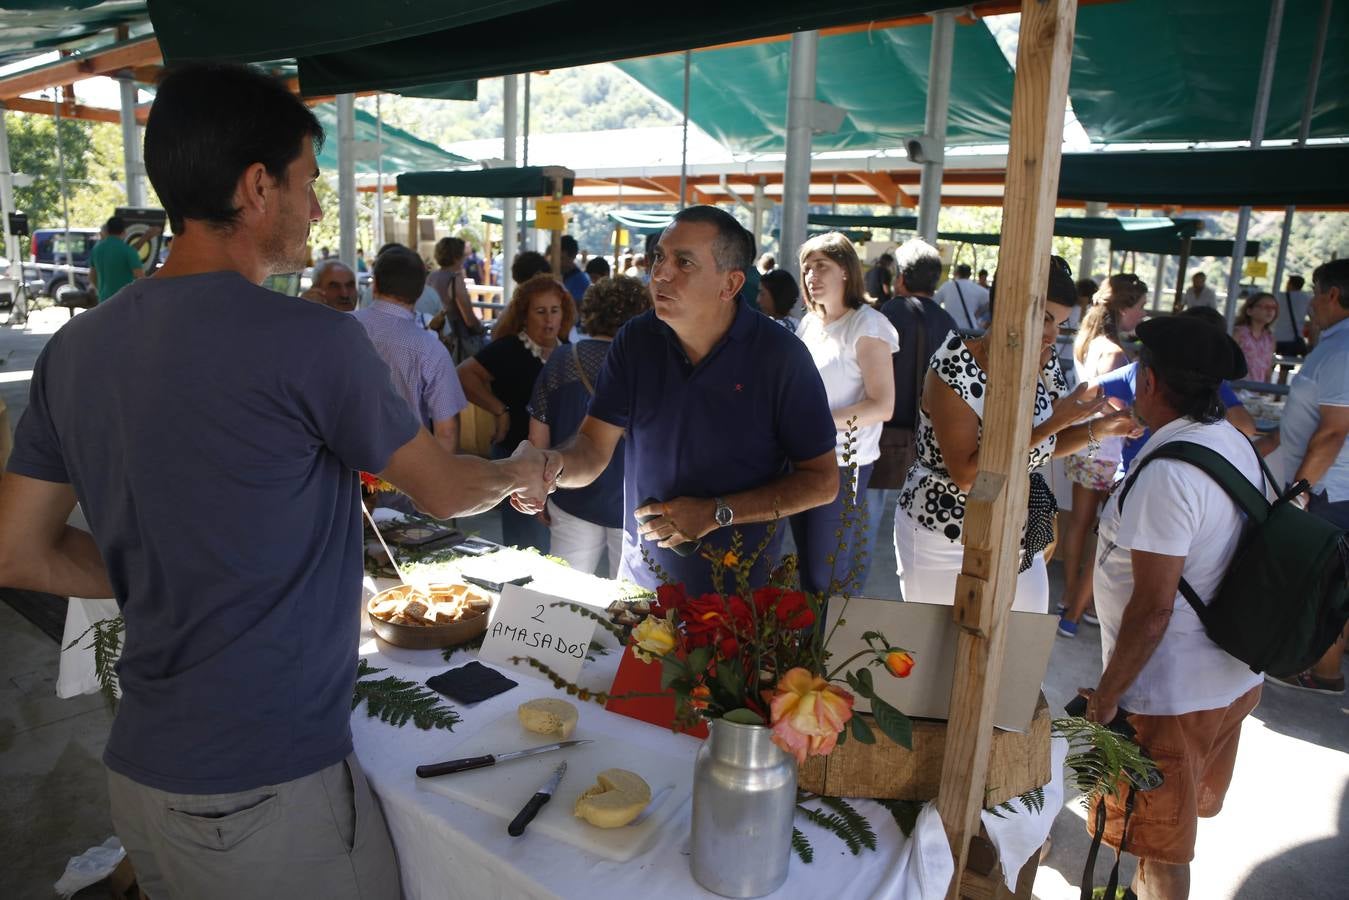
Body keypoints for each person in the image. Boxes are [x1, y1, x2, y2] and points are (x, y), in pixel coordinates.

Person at [0, 63, 549, 900]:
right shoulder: (309, 341)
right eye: (309, 184)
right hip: (264, 789)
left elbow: (17, 550)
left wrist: (159, 573)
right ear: (257, 187)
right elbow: (440, 490)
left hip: (143, 773)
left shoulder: (74, 349)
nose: (318, 209)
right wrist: (524, 470)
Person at [528, 205, 838, 595]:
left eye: (684, 262)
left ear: (730, 284)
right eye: (659, 256)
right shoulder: (636, 340)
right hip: (642, 584)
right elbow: (592, 447)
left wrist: (717, 512)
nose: (660, 272)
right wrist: (550, 466)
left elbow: (823, 482)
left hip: (739, 595)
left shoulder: (781, 356)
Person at [1081, 316, 1263, 900]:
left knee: (1161, 843)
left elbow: (1153, 609)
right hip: (1228, 674)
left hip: (1171, 694)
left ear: (1150, 382)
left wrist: (1108, 697)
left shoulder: (1168, 474)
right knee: (1156, 830)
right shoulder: (1230, 441)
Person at [895, 257, 1136, 613]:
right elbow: (967, 475)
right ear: (1008, 306)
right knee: (938, 659)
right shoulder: (954, 365)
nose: (1053, 336)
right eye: (1046, 319)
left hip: (1016, 529)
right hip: (941, 532)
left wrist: (1099, 427)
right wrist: (1057, 421)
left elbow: (1043, 445)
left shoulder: (1045, 359)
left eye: (1062, 323)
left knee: (1022, 653)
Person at [789, 233, 898, 595]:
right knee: (806, 569)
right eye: (807, 268)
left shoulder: (867, 325)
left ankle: (828, 650)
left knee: (828, 574)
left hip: (844, 464)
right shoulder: (810, 323)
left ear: (847, 272)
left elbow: (882, 405)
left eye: (822, 266)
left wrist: (816, 422)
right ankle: (809, 648)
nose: (812, 276)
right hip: (801, 457)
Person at [1264, 258, 1349, 695]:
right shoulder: (1335, 345)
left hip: (1328, 491)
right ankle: (1325, 668)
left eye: (1316, 294)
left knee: (1322, 584)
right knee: (1334, 582)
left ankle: (1322, 670)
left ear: (1332, 295)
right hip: (1333, 488)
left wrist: (1299, 493)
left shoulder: (1341, 350)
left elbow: (1332, 433)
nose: (1311, 305)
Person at [528, 275, 650, 577]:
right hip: (632, 504)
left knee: (565, 595)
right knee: (631, 602)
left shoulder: (562, 358)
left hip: (569, 494)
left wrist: (538, 489)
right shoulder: (648, 363)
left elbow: (537, 432)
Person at [1057, 274, 1149, 638]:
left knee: (1079, 522)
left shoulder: (1087, 341)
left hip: (1084, 444)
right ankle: (1085, 601)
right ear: (1124, 309)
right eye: (1140, 306)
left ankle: (1069, 595)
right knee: (1105, 529)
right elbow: (1116, 405)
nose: (1142, 314)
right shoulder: (1114, 352)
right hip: (1108, 450)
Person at [458, 274, 575, 552]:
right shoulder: (509, 349)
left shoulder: (571, 354)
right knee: (527, 545)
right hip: (517, 457)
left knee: (562, 545)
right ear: (525, 315)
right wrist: (499, 410)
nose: (549, 319)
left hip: (562, 462)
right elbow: (464, 375)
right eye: (540, 311)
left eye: (554, 311)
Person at [870, 239, 960, 581]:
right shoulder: (949, 322)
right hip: (932, 438)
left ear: (901, 277)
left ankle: (852, 597)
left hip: (882, 433)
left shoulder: (886, 315)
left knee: (866, 521)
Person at [353, 246, 466, 454]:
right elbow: (447, 431)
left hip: (343, 464)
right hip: (407, 469)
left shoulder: (341, 327)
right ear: (421, 290)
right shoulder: (431, 350)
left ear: (375, 285)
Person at [427, 236, 484, 364]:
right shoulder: (455, 279)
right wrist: (481, 329)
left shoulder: (431, 277)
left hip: (433, 339)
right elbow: (469, 319)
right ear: (457, 257)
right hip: (454, 341)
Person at [88, 215, 145, 303]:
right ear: (124, 231)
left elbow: (92, 277)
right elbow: (140, 278)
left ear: (107, 230)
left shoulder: (96, 249)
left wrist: (102, 291)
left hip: (104, 301)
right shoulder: (128, 251)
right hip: (125, 302)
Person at [1232, 291, 1278, 383]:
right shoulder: (1238, 333)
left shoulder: (1270, 338)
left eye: (1274, 308)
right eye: (1265, 307)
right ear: (1249, 311)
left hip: (1257, 392)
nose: (1270, 311)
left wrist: (1266, 390)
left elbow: (1268, 368)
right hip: (1237, 390)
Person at [934, 263, 989, 333]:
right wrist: (978, 313)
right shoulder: (978, 289)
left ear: (956, 273)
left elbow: (935, 303)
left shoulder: (946, 286)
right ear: (969, 275)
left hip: (949, 330)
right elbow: (991, 302)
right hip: (970, 331)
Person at [1274, 274, 1312, 355]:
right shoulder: (1306, 298)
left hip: (1275, 337)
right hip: (1293, 339)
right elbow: (1314, 318)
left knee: (1270, 363)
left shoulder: (1278, 296)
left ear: (1290, 284)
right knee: (1287, 365)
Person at [559, 234, 591, 305]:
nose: (557, 262)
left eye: (561, 258)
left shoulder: (581, 281)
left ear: (573, 256)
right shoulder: (557, 275)